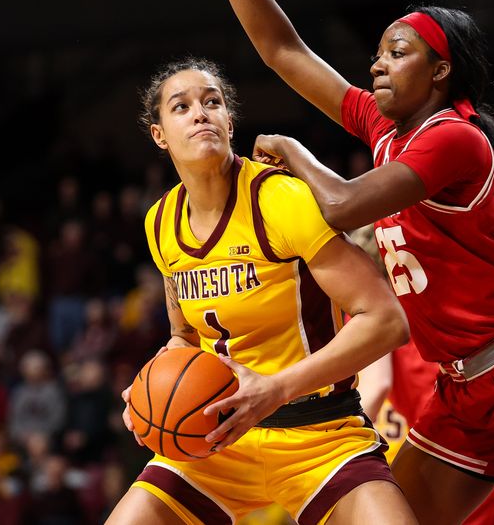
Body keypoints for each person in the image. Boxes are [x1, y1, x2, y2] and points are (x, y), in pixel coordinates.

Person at [225, 0, 494, 523]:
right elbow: (281, 48)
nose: (377, 63)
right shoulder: (386, 133)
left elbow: (342, 204)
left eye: (396, 52)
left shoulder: (454, 137)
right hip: (459, 390)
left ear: (440, 72)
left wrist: (292, 150)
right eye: (377, 53)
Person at [106, 57, 417, 525]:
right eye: (182, 106)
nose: (200, 113)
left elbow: (386, 320)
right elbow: (184, 337)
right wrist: (149, 387)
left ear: (230, 121)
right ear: (159, 135)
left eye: (212, 103)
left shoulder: (279, 199)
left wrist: (272, 391)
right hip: (216, 441)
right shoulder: (161, 222)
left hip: (320, 432)